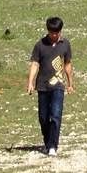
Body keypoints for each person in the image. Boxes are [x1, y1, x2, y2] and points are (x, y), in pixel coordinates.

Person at [26, 16, 73, 157]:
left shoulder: (65, 44)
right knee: (43, 117)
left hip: (58, 85)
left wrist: (70, 83)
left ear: (60, 31)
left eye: (57, 33)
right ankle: (47, 142)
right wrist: (30, 82)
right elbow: (35, 64)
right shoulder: (40, 45)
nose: (54, 35)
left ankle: (53, 146)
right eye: (52, 33)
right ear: (48, 30)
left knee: (56, 115)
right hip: (42, 86)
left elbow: (68, 64)